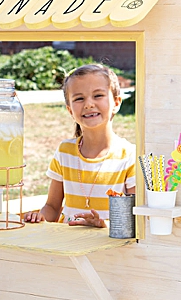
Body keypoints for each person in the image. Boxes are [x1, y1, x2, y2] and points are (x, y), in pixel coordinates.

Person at [23, 63, 135, 227]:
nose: (89, 104)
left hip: (108, 247)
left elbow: (132, 219)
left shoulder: (129, 156)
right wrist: (40, 218)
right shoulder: (64, 152)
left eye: (98, 96)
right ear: (70, 110)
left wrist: (103, 225)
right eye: (79, 98)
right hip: (66, 246)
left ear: (117, 103)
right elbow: (52, 207)